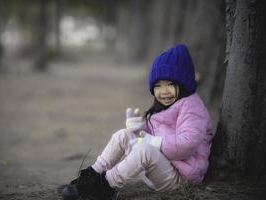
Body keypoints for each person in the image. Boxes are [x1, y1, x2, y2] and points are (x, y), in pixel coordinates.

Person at [61, 44, 213, 200]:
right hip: (161, 168)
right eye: (158, 86)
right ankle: (89, 178)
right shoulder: (165, 106)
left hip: (181, 177)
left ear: (183, 84)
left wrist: (151, 141)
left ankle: (104, 186)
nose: (164, 91)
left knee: (144, 151)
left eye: (170, 84)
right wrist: (140, 130)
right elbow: (157, 139)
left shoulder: (192, 106)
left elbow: (186, 145)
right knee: (123, 135)